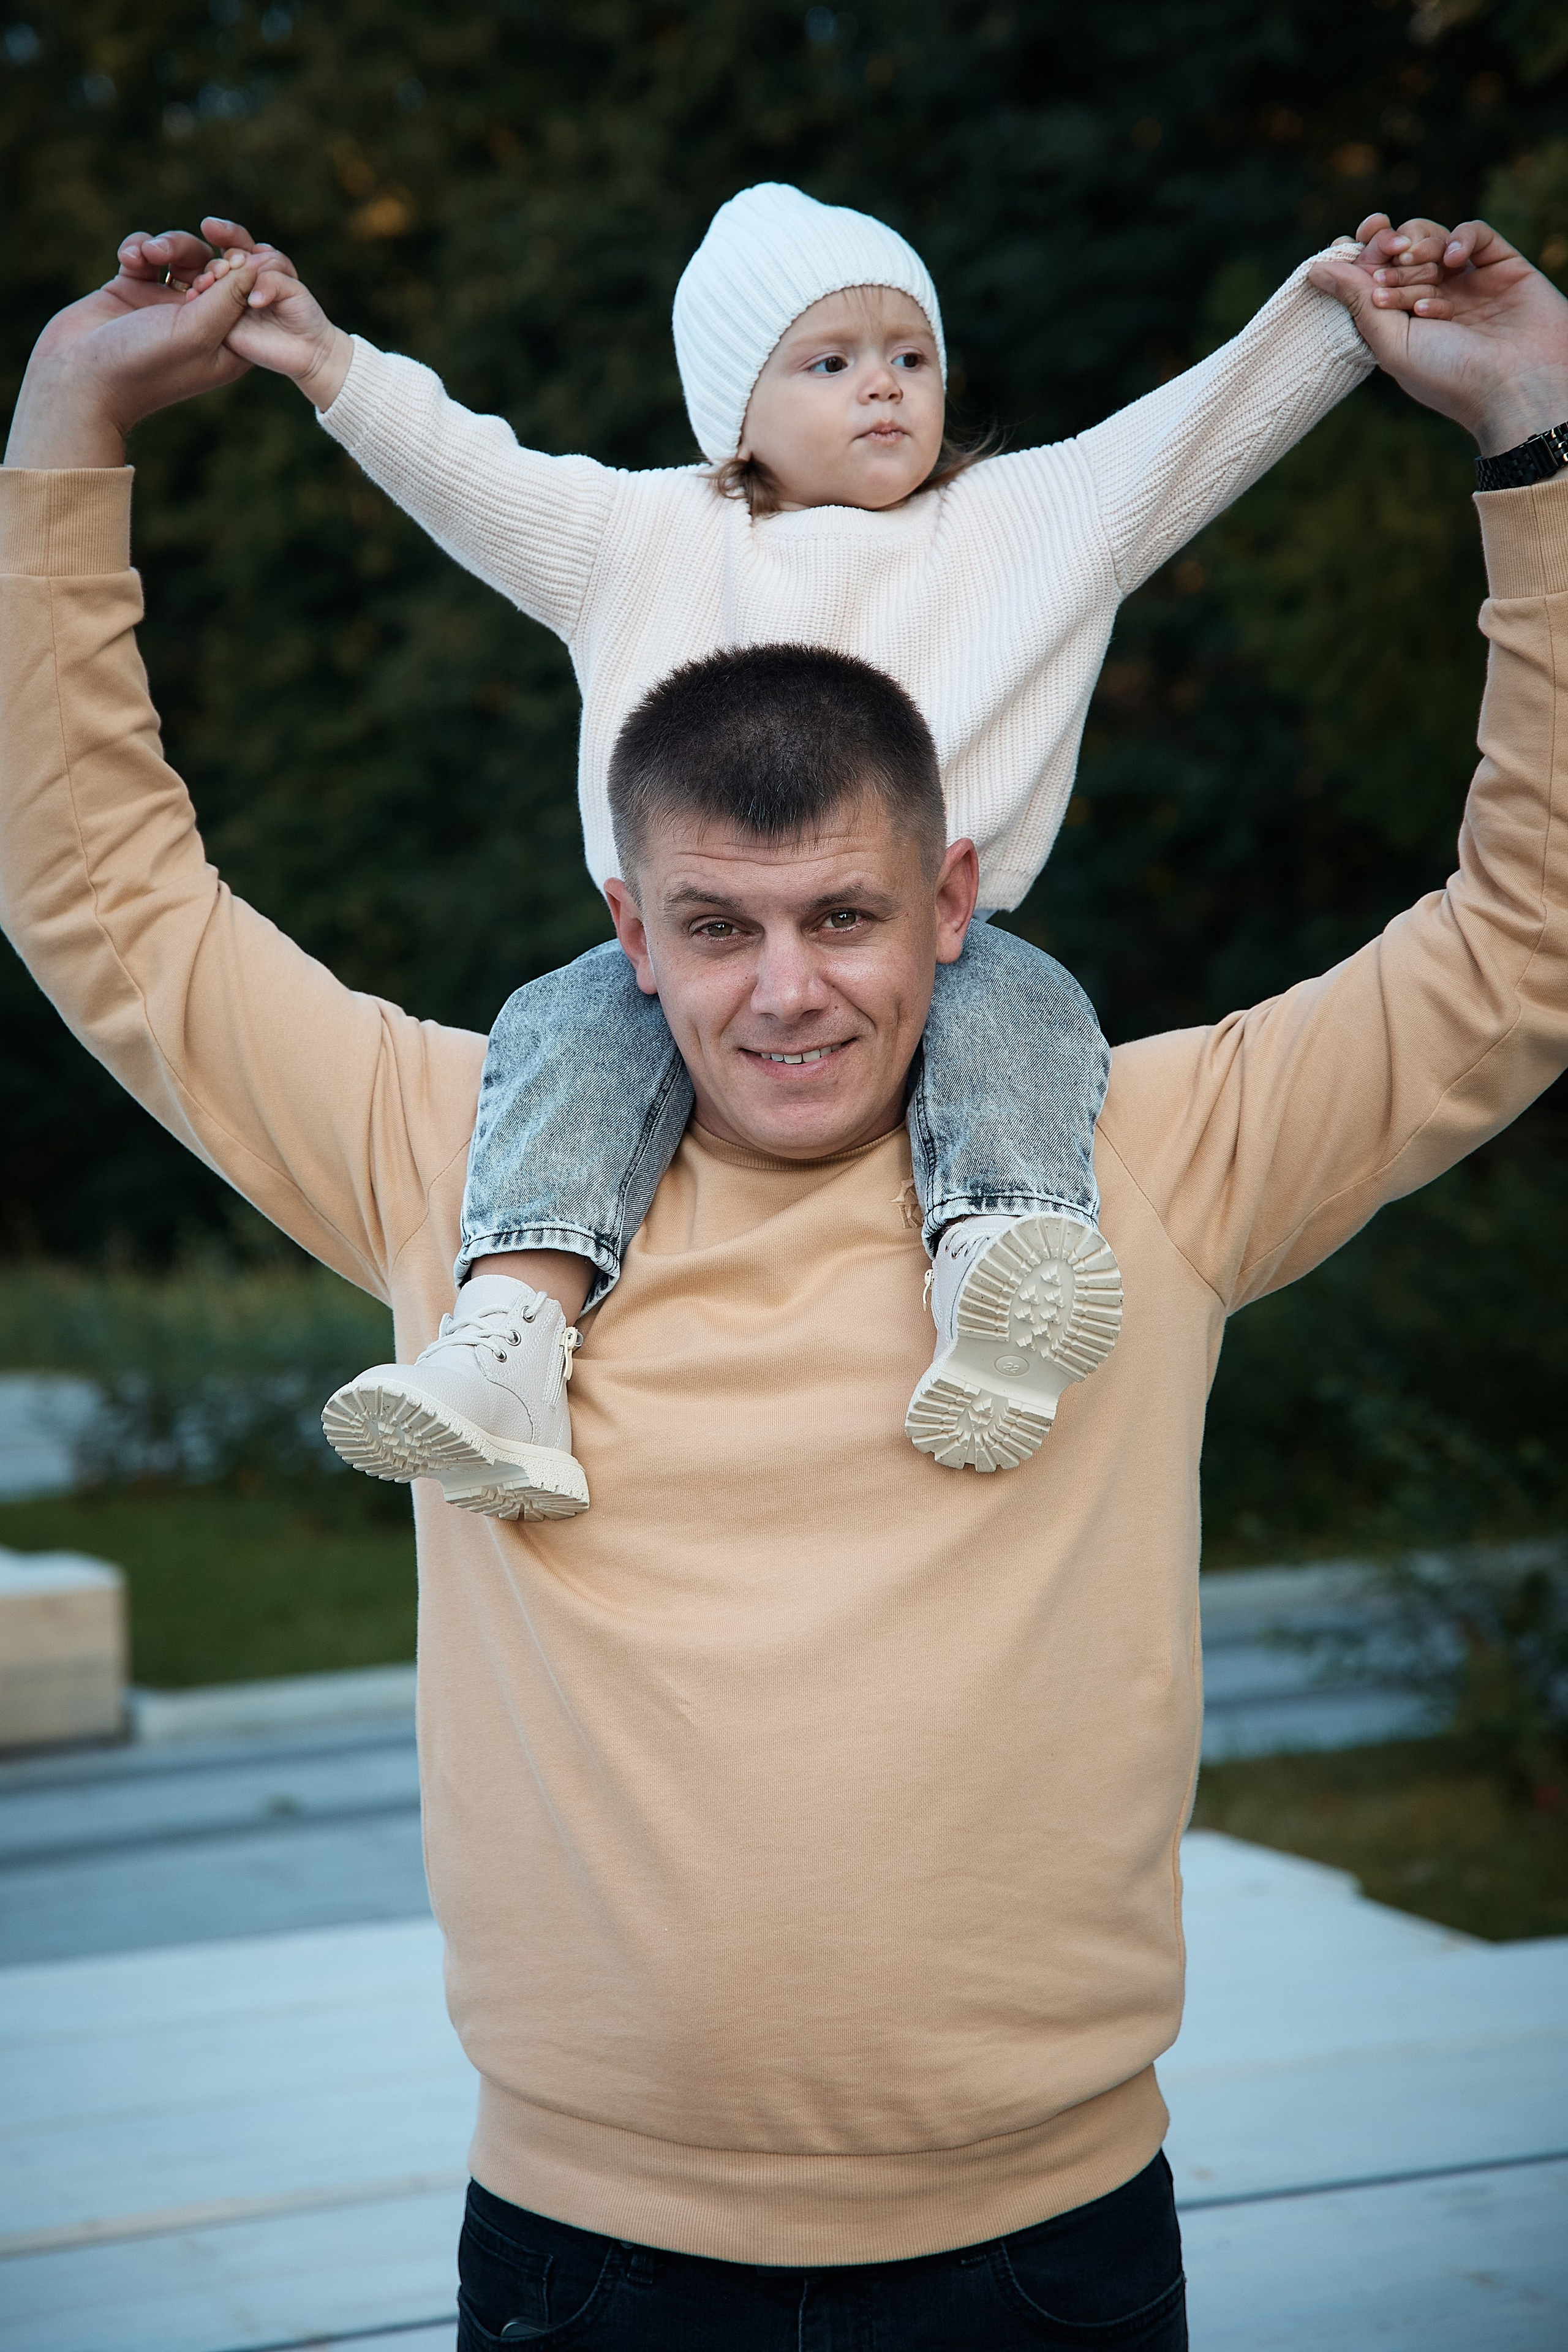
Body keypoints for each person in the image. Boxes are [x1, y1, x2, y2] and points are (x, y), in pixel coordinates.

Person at [4, 211, 1567, 2351]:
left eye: (843, 916)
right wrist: (67, 422)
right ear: (626, 929)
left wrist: (1542, 442)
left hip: (1045, 2250)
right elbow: (99, 891)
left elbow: (1526, 939)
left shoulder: (1156, 1158)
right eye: (717, 927)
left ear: (952, 898)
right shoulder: (451, 1159)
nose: (787, 994)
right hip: (585, 2259)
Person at [105, 186, 1454, 1519]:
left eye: (908, 356)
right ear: (733, 411)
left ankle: (995, 1274)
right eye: (830, 360)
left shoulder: (1037, 519)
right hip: (675, 957)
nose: (883, 389)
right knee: (562, 1028)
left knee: (1021, 1010)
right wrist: (328, 360)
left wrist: (1336, 309)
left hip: (942, 943)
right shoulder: (641, 539)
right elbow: (467, 468)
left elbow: (1194, 429)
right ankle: (508, 1336)